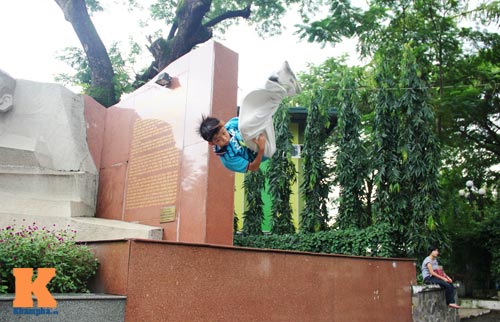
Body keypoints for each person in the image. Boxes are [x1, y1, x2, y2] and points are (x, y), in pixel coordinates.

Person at [198, 61, 301, 173]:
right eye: (218, 139)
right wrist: (261, 149)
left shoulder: (231, 125)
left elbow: (251, 118)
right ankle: (280, 90)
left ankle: (281, 82)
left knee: (246, 103)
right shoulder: (227, 158)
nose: (224, 138)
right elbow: (253, 167)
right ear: (212, 143)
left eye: (223, 133)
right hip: (265, 150)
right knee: (245, 128)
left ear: (223, 124)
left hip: (262, 132)